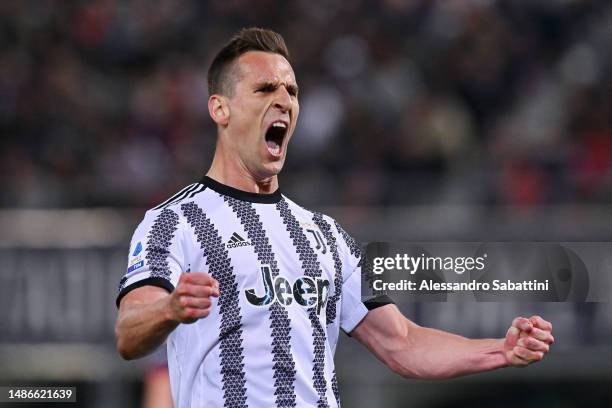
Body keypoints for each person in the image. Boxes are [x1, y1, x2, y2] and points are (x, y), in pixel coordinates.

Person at [115, 27, 554, 408]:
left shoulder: (325, 236)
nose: (284, 100)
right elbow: (129, 332)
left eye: (292, 91)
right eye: (265, 89)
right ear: (220, 109)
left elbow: (401, 343)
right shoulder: (174, 222)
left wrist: (498, 350)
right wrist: (169, 308)